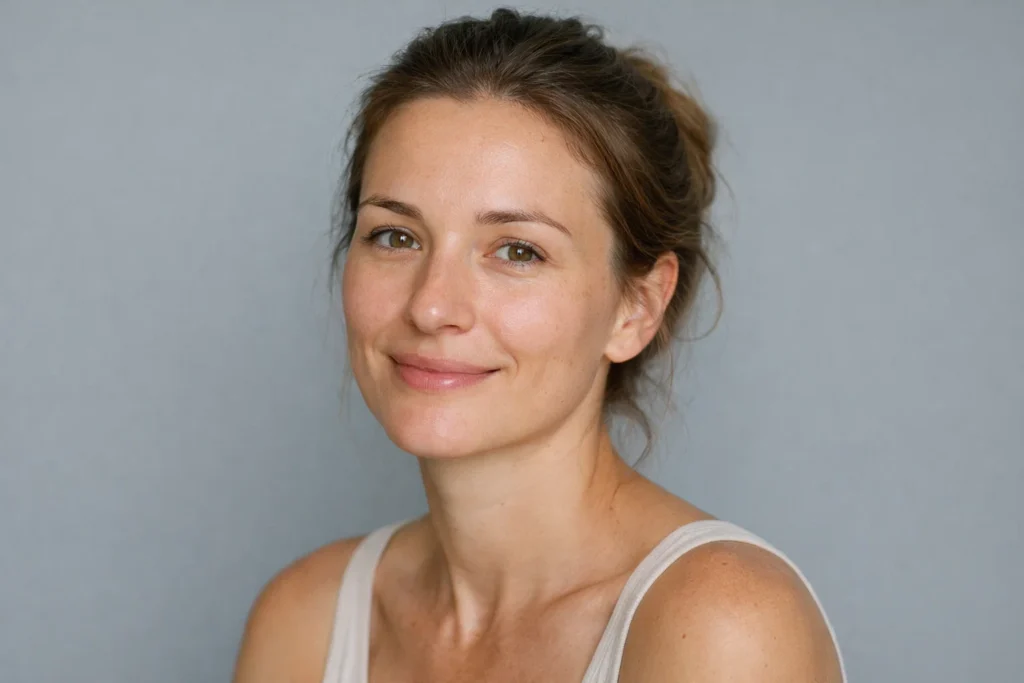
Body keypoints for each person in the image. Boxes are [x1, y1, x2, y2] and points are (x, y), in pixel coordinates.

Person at [232, 8, 846, 683]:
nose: (431, 306)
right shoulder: (305, 621)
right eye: (395, 236)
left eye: (517, 251)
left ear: (636, 308)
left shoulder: (723, 623)